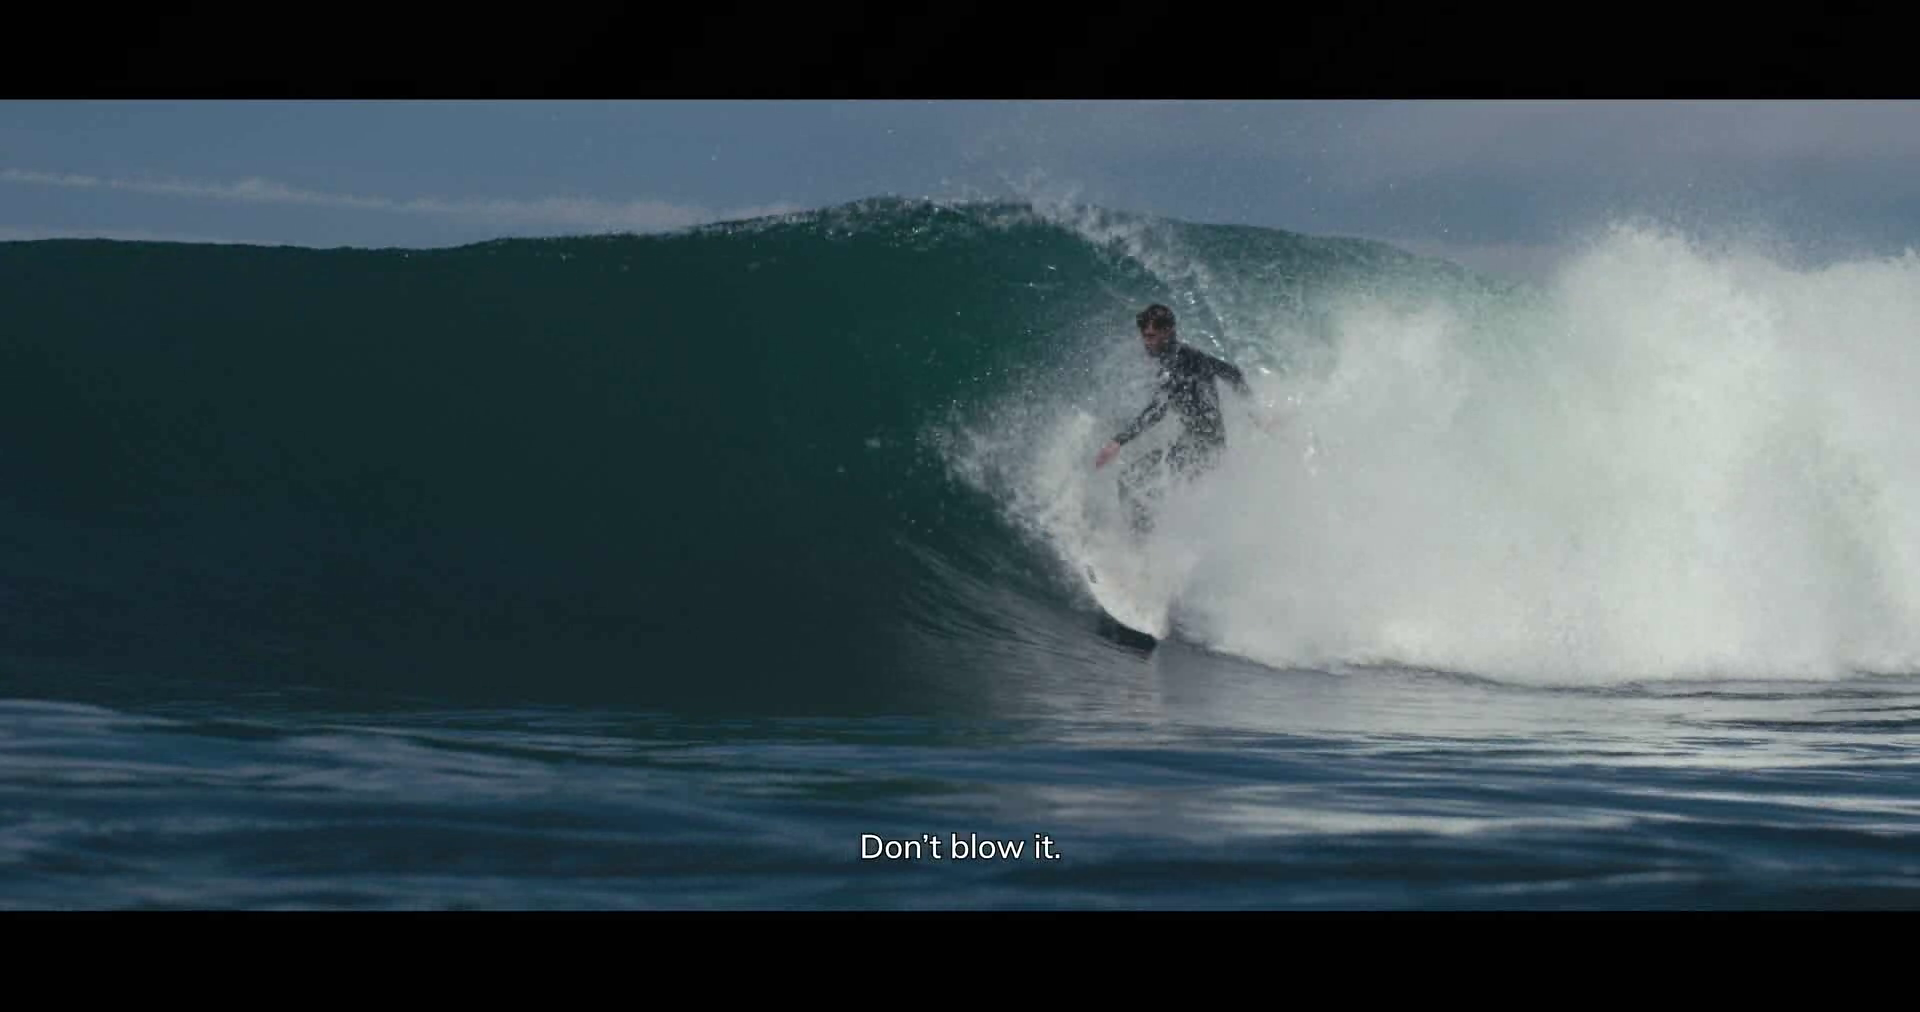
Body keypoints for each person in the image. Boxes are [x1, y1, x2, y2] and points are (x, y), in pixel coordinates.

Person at [1094, 303, 1261, 533]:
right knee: (1149, 488)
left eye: (1151, 336)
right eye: (1144, 336)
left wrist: (1118, 441)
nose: (1146, 342)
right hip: (1203, 445)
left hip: (1201, 449)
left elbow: (1158, 410)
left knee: (1131, 480)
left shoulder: (1178, 362)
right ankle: (1148, 540)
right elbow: (1233, 373)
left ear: (1167, 331)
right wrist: (1255, 413)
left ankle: (1140, 544)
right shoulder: (1187, 355)